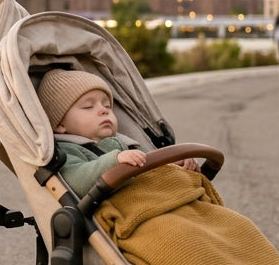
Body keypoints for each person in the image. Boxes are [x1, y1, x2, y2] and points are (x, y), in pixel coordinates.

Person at [37, 69, 200, 195]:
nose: (103, 110)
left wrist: (173, 163)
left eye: (107, 106)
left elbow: (152, 167)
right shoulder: (66, 151)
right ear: (59, 125)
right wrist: (114, 162)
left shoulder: (125, 143)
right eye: (88, 107)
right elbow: (77, 181)